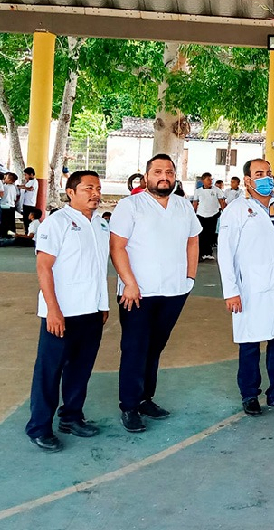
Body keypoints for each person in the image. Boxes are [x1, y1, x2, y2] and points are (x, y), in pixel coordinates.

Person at [109, 154, 201, 433]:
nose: (164, 176)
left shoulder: (183, 206)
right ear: (146, 176)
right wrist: (130, 283)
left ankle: (145, 397)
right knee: (135, 348)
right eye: (158, 171)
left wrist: (189, 278)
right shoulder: (130, 206)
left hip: (174, 291)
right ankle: (129, 406)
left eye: (169, 172)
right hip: (137, 293)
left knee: (155, 347)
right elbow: (117, 247)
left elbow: (193, 241)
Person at [24, 171, 110, 452]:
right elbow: (43, 267)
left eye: (97, 188)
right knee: (50, 370)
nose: (95, 193)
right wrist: (52, 310)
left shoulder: (100, 224)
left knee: (81, 369)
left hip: (91, 312)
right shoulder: (57, 223)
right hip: (61, 312)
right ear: (70, 192)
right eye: (88, 188)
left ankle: (71, 416)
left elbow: (98, 270)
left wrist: (103, 305)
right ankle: (39, 426)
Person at [218, 159, 274, 416]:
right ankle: (249, 395)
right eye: (259, 174)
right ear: (247, 180)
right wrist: (231, 290)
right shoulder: (236, 210)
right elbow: (225, 253)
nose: (266, 178)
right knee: (250, 344)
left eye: (268, 173)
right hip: (250, 288)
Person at [192, 172, 225, 261]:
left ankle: (209, 253)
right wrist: (193, 214)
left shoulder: (217, 190)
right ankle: (201, 253)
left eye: (211, 179)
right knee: (202, 235)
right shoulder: (198, 191)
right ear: (203, 181)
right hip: (201, 215)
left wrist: (225, 212)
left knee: (211, 234)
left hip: (213, 215)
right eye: (208, 179)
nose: (210, 181)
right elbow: (195, 203)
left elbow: (222, 202)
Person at [19, 167, 39, 234]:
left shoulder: (35, 182)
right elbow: (25, 186)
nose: (25, 176)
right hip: (25, 204)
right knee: (25, 220)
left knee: (29, 220)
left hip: (30, 204)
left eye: (26, 175)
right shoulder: (28, 182)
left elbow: (30, 188)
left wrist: (22, 187)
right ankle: (26, 233)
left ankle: (30, 233)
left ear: (31, 174)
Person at [0, 172, 18, 237]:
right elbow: (15, 198)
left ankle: (2, 234)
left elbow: (1, 195)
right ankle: (11, 234)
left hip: (4, 206)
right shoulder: (14, 187)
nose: (4, 178)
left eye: (6, 177)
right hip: (12, 206)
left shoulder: (4, 187)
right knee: (11, 222)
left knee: (3, 222)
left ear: (9, 180)